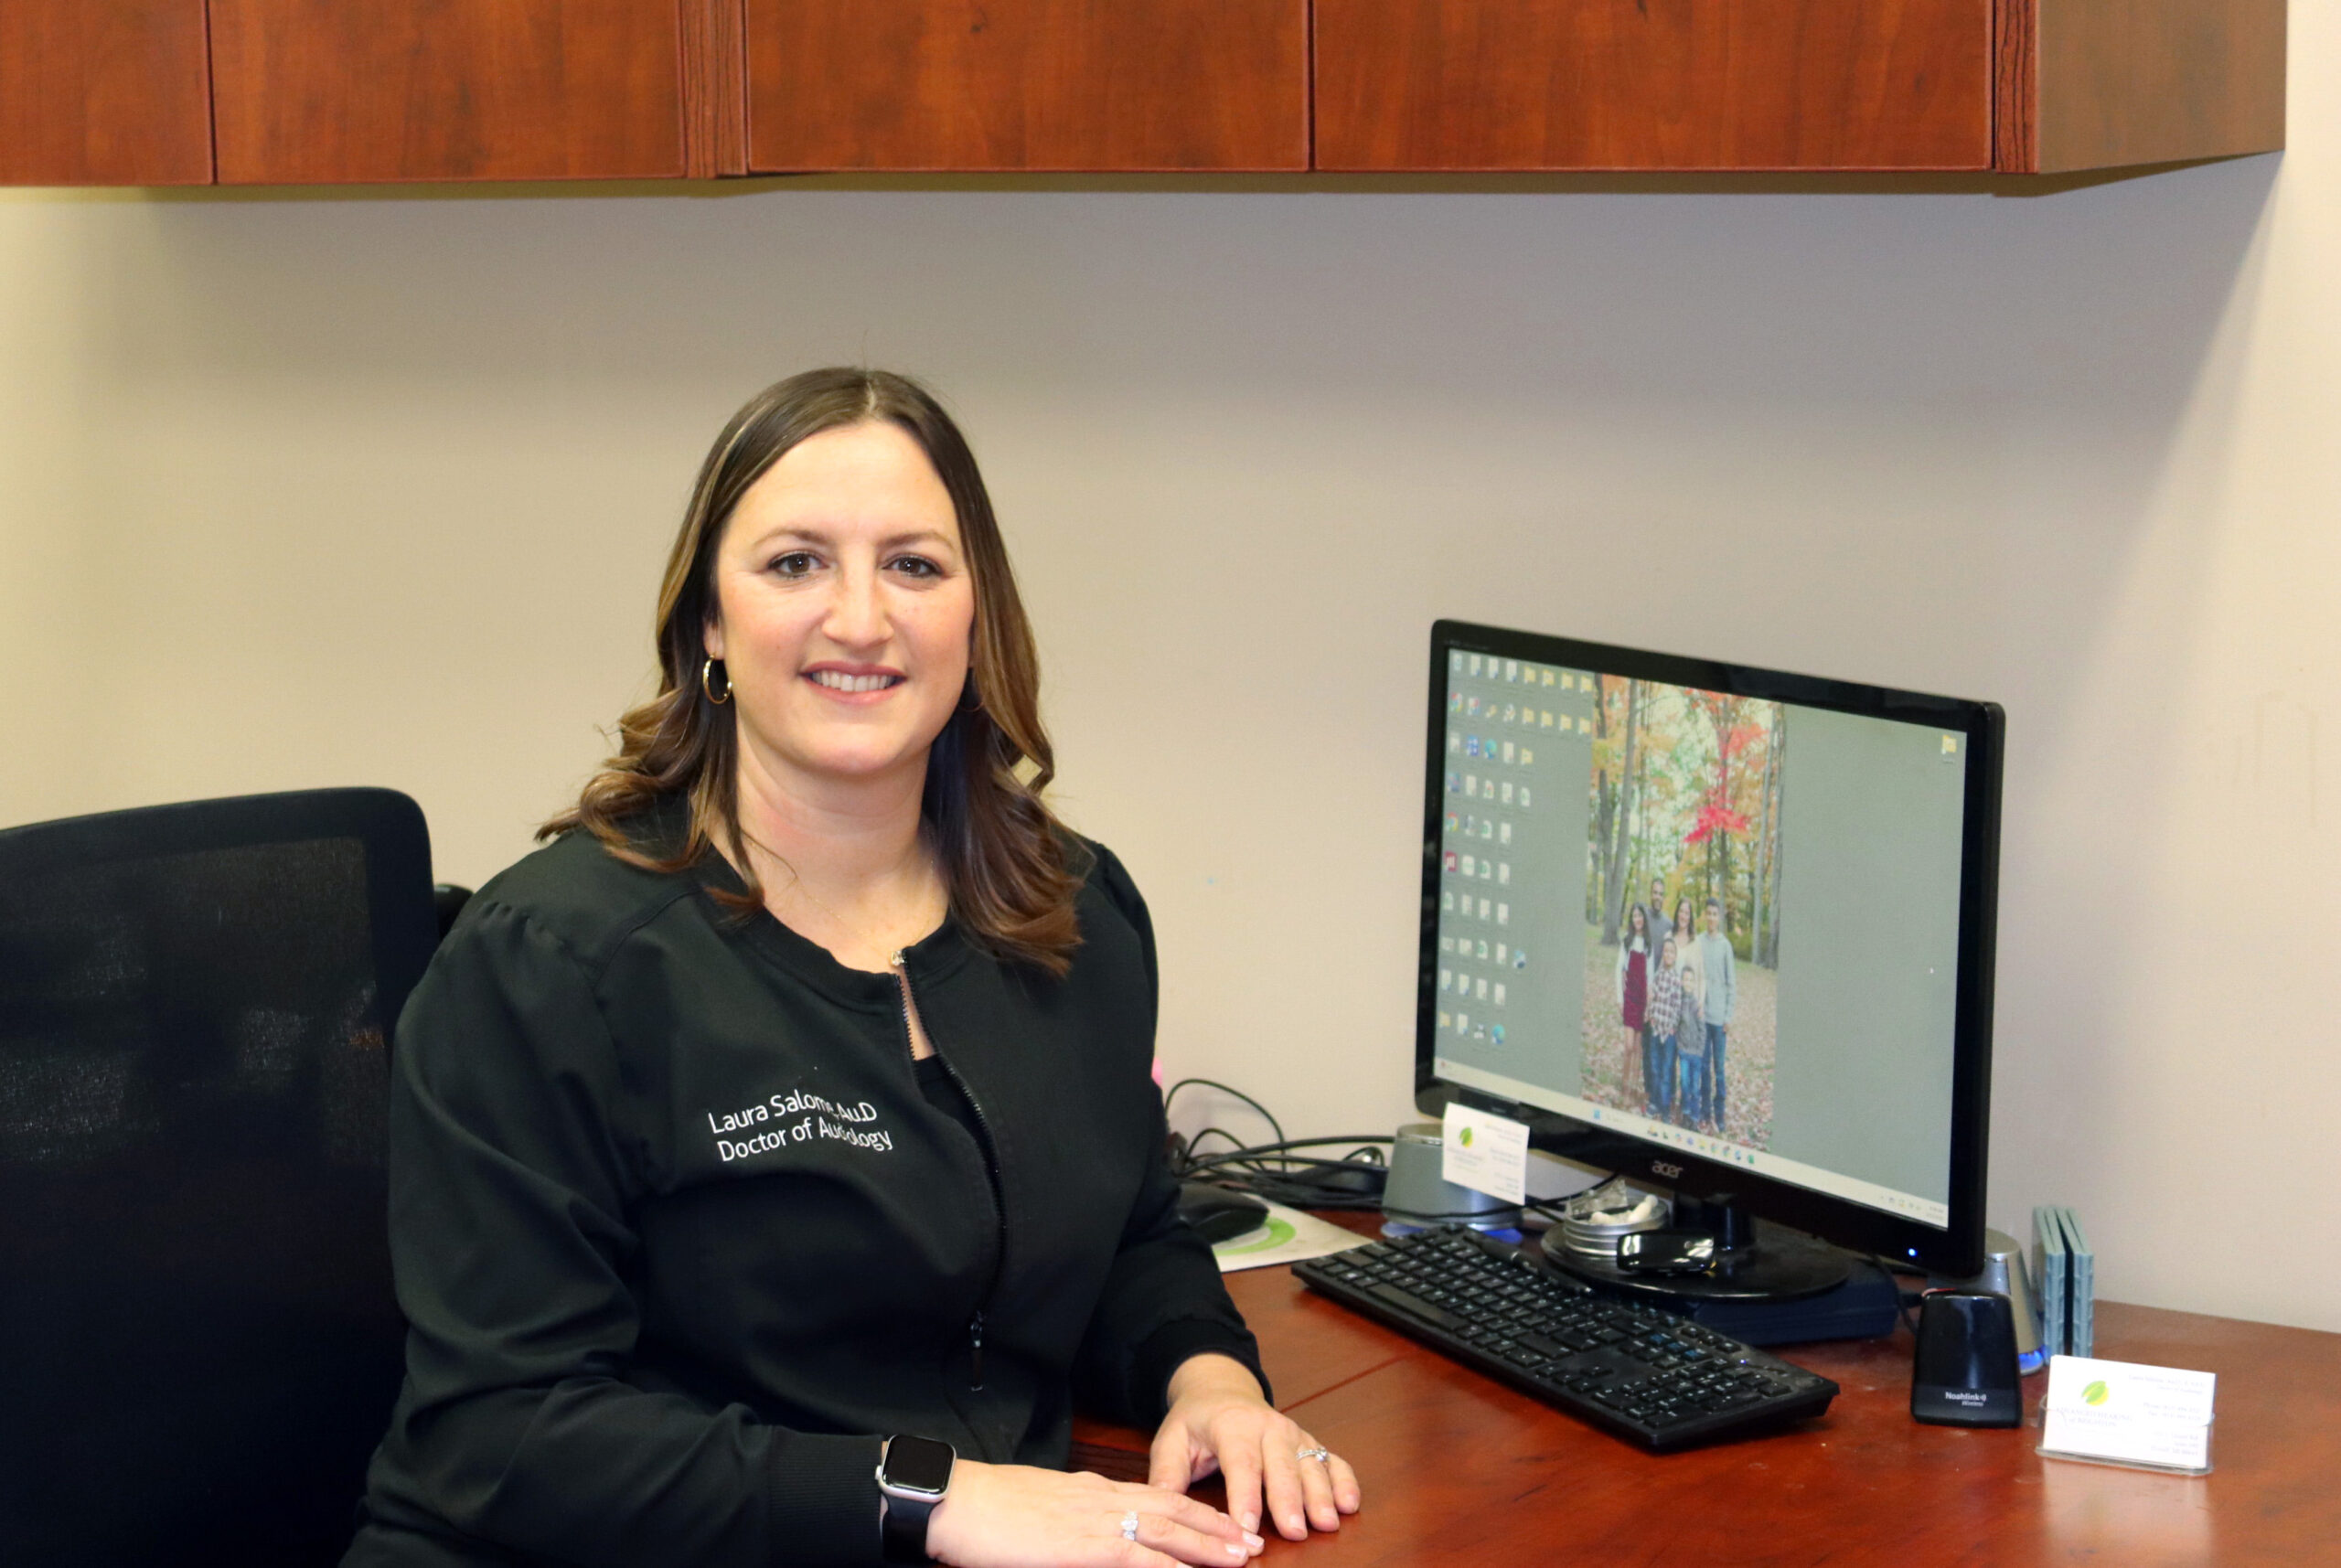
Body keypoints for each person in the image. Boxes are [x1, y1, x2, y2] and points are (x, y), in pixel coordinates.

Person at [345, 369, 1359, 1568]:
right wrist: (933, 1496)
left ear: (977, 616)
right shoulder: (553, 962)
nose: (862, 618)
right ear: (709, 624)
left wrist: (1209, 1377)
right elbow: (504, 1433)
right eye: (795, 563)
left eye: (915, 565)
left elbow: (1131, 1229)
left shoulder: (1071, 912)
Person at [1696, 898, 1737, 1138]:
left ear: (1719, 917)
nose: (1711, 917)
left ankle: (1719, 1114)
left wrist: (1728, 1016)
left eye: (1715, 914)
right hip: (1702, 1016)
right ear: (1704, 916)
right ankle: (1704, 1111)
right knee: (1703, 1066)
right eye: (1708, 913)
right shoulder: (1699, 942)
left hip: (1719, 1019)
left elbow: (1731, 984)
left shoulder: (1725, 946)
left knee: (1718, 1068)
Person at [1614, 902, 1652, 1112]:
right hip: (1629, 998)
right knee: (1628, 1046)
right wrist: (1620, 999)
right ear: (1632, 920)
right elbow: (1618, 970)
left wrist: (1649, 1006)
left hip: (1642, 1000)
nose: (1638, 919)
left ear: (1644, 919)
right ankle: (1624, 1088)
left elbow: (1651, 977)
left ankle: (1633, 1089)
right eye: (1635, 916)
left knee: (1638, 1049)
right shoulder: (1627, 942)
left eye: (1640, 915)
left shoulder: (1648, 944)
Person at [1641, 935, 1683, 1125]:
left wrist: (1673, 1025)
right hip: (1656, 1029)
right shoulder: (1658, 976)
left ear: (1675, 956)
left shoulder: (1676, 979)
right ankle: (1654, 1103)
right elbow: (1652, 997)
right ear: (1663, 954)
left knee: (1667, 1071)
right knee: (1655, 1068)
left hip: (1669, 1033)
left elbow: (1678, 1006)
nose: (1668, 954)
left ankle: (1666, 1108)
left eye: (1671, 952)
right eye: (1665, 951)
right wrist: (1649, 1015)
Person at [1644, 879, 1672, 972]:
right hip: (1640, 975)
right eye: (1655, 893)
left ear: (1663, 897)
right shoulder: (1642, 918)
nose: (1658, 897)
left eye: (1660, 894)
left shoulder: (1669, 925)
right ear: (1651, 895)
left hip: (1659, 979)